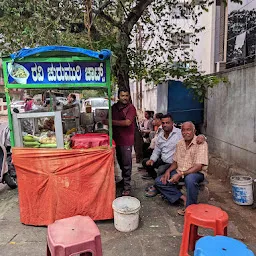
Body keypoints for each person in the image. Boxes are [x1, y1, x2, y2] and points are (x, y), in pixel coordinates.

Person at [154, 121, 208, 215]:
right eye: (183, 130)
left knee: (190, 179)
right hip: (180, 171)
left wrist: (181, 174)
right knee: (159, 181)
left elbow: (199, 166)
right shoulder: (180, 143)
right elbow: (175, 162)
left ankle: (190, 208)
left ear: (194, 131)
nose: (185, 132)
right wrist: (168, 171)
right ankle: (183, 198)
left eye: (188, 130)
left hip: (196, 173)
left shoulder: (201, 143)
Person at [107, 89, 137, 196]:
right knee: (120, 162)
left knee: (126, 164)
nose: (125, 97)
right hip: (116, 140)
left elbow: (127, 122)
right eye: (122, 95)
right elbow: (106, 117)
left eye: (126, 95)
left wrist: (110, 122)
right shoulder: (114, 107)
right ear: (118, 96)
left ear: (129, 96)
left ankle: (127, 186)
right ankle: (124, 181)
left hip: (126, 140)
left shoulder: (131, 108)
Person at [141, 113, 182, 180]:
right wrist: (152, 160)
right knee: (145, 162)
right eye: (163, 123)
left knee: (161, 169)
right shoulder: (160, 135)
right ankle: (155, 179)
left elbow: (192, 136)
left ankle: (158, 184)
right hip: (163, 160)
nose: (165, 125)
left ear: (172, 123)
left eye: (167, 123)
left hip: (173, 163)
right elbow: (156, 151)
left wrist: (202, 137)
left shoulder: (179, 133)